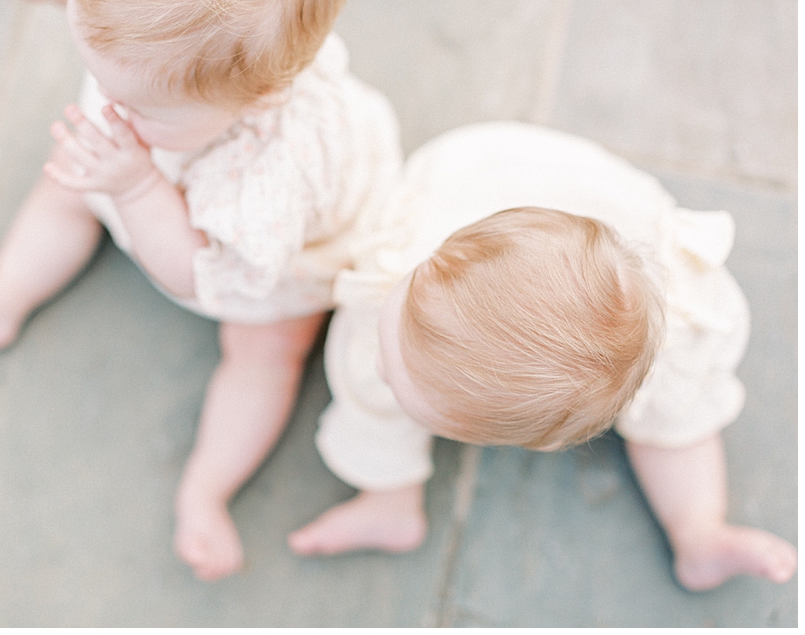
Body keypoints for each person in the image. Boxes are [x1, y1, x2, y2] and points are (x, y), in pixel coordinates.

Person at [0, 0, 403, 581]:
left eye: (136, 104)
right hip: (165, 160)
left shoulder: (270, 185)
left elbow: (194, 274)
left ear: (258, 98)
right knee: (69, 177)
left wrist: (139, 185)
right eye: (96, 70)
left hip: (259, 255)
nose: (110, 103)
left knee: (266, 349)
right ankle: (3, 296)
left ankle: (206, 490)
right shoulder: (188, 44)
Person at [288, 122, 798, 593]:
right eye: (391, 336)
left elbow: (680, 403)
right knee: (375, 397)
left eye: (395, 365)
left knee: (680, 419)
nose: (381, 360)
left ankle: (701, 532)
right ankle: (389, 503)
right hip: (491, 166)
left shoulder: (688, 323)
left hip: (602, 220)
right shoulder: (401, 257)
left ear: (550, 442)